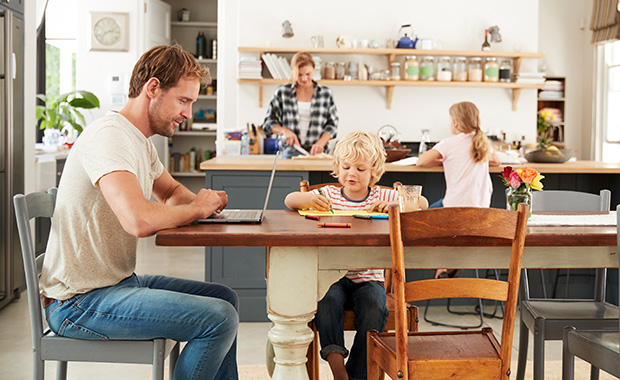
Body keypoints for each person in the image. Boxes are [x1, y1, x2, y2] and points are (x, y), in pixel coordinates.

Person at [38, 44, 239, 380]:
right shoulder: (110, 137)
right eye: (184, 101)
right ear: (153, 88)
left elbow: (172, 192)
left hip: (116, 284)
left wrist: (203, 208)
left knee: (225, 299)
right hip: (79, 303)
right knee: (219, 317)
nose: (187, 113)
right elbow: (139, 220)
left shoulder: (139, 140)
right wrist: (197, 208)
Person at [285, 131, 428, 380]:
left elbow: (422, 203)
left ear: (374, 170)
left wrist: (398, 205)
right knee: (325, 302)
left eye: (360, 168)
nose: (352, 173)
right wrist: (308, 198)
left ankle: (358, 373)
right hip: (332, 276)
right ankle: (338, 369)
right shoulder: (328, 195)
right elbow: (289, 200)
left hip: (369, 277)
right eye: (346, 166)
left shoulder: (381, 196)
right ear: (337, 167)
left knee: (375, 305)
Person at [416, 101, 500, 278]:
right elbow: (497, 161)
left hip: (454, 211)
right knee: (452, 229)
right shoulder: (483, 144)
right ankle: (451, 261)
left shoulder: (449, 143)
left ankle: (445, 262)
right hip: (482, 214)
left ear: (455, 122)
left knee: (416, 223)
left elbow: (421, 161)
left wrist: (444, 159)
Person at [262, 52, 338, 158]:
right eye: (299, 74)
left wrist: (321, 142)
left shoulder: (325, 93)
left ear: (314, 70)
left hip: (318, 153)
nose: (304, 79)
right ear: (293, 72)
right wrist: (285, 131)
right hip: (290, 151)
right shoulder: (282, 92)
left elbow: (333, 125)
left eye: (308, 74)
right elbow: (268, 123)